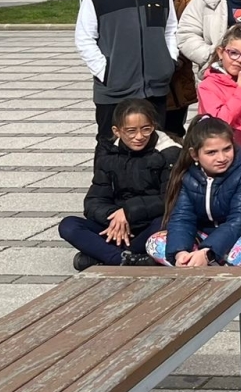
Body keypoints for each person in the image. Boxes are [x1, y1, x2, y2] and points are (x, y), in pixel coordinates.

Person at [77, 0, 177, 144]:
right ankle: (107, 182)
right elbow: (84, 39)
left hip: (154, 90)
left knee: (154, 145)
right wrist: (106, 72)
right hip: (114, 91)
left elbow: (171, 29)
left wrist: (168, 61)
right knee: (111, 146)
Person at [146, 115, 241, 268]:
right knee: (155, 243)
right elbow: (182, 218)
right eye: (211, 152)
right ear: (195, 154)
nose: (221, 158)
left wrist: (207, 252)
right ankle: (199, 263)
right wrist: (180, 252)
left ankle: (209, 263)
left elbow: (240, 220)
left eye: (227, 149)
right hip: (206, 236)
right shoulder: (189, 177)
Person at [60, 99, 178, 270]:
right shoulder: (109, 154)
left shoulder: (169, 153)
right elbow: (94, 201)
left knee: (168, 221)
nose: (139, 136)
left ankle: (106, 257)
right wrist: (115, 217)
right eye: (131, 131)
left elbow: (170, 198)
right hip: (117, 227)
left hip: (149, 225)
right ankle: (126, 259)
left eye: (146, 129)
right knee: (69, 225)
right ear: (117, 131)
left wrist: (129, 212)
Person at [195, 24, 241, 165]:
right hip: (226, 161)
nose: (239, 60)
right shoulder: (208, 86)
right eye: (233, 53)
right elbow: (219, 123)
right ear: (220, 52)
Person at [149, 0, 196, 138]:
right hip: (148, 77)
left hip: (177, 80)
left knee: (174, 131)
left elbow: (191, 32)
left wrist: (175, 59)